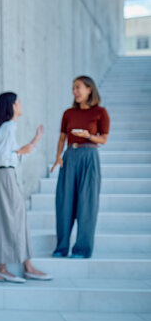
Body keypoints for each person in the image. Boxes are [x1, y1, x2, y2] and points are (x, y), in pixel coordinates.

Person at [0, 92, 52, 283]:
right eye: (19, 102)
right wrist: (21, 150)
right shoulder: (8, 127)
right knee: (13, 217)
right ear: (12, 106)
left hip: (4, 176)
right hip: (4, 175)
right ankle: (16, 267)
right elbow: (2, 158)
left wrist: (33, 142)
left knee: (9, 217)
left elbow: (9, 156)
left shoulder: (5, 128)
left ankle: (15, 267)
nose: (21, 104)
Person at [51, 75, 110, 259]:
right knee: (64, 203)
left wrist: (88, 136)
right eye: (73, 88)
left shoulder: (100, 112)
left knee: (87, 204)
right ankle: (61, 248)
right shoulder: (68, 113)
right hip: (70, 156)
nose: (75, 91)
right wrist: (58, 157)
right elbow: (62, 137)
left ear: (89, 89)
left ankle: (82, 249)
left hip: (89, 156)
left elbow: (104, 139)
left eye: (78, 87)